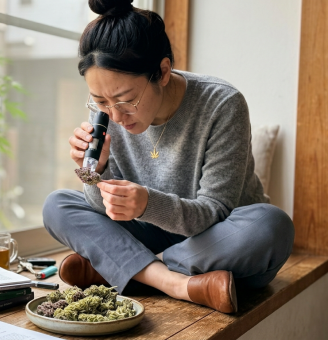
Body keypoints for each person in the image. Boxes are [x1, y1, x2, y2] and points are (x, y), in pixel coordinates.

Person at [42, 0, 294, 313]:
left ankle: (128, 269)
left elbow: (213, 213)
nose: (115, 115)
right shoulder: (109, 111)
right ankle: (176, 283)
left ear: (162, 72)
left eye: (126, 100)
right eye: (99, 101)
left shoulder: (222, 104)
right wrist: (95, 171)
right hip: (159, 240)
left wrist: (147, 204)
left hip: (215, 242)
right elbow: (103, 209)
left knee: (272, 226)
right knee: (57, 205)